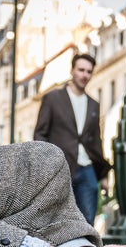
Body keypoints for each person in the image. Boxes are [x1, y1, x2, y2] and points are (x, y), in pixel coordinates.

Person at [34, 52, 110, 225]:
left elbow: (96, 140)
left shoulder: (93, 104)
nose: (85, 75)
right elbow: (40, 134)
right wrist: (45, 164)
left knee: (87, 221)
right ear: (72, 71)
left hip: (87, 169)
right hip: (60, 167)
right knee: (58, 221)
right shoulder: (52, 98)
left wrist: (103, 175)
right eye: (81, 70)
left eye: (89, 72)